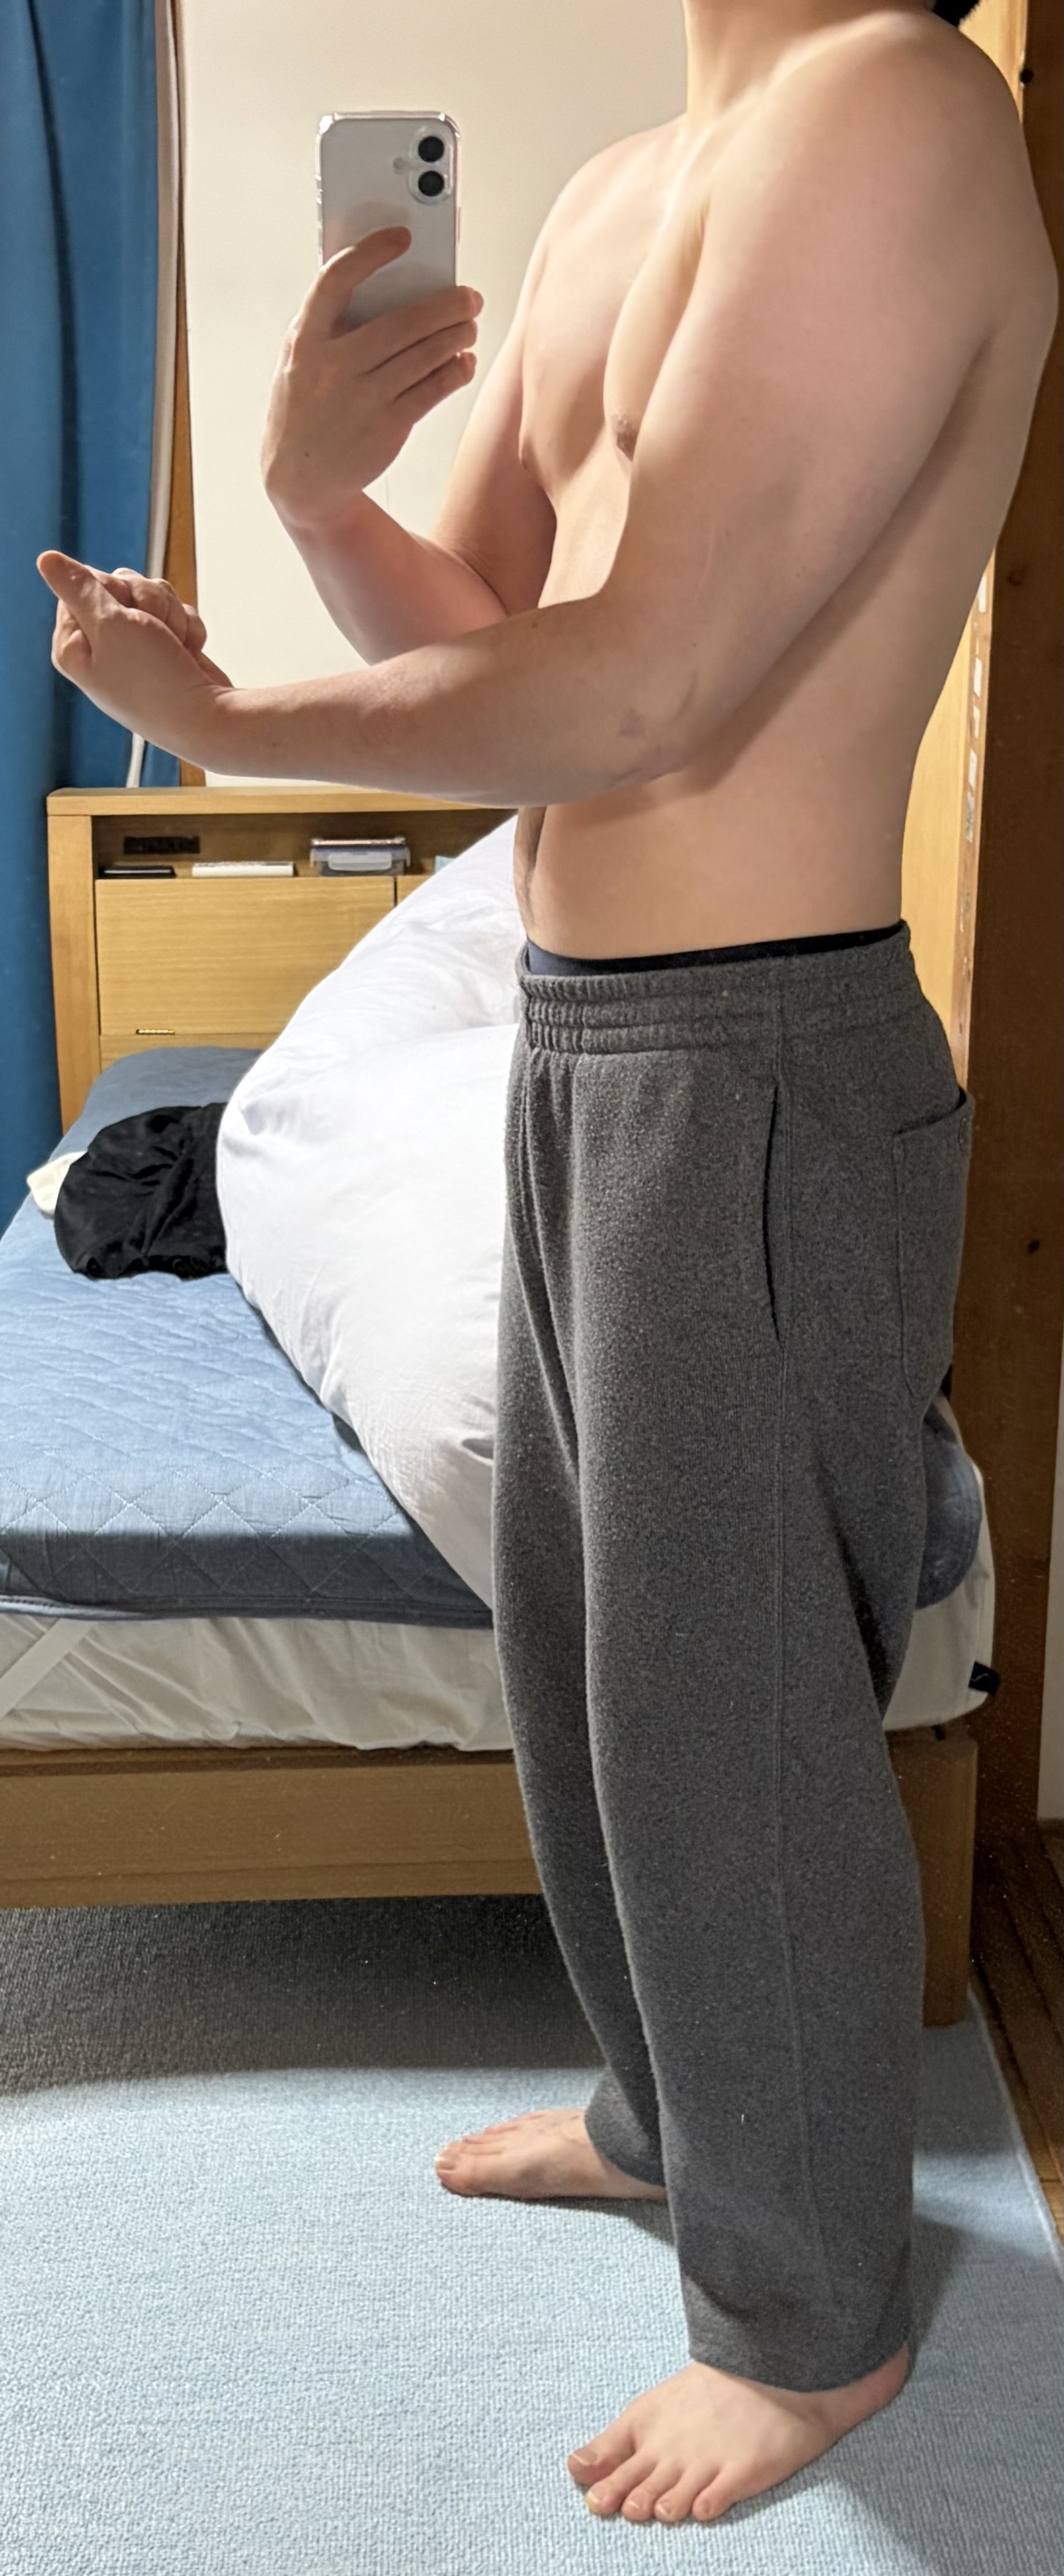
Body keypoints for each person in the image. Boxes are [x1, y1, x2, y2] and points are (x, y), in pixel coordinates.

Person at [40, 0, 1057, 2529]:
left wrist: (227, 729)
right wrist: (311, 488)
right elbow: (485, 616)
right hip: (580, 1030)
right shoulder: (623, 184)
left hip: (764, 1047)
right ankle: (669, 2116)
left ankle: (812, 2319)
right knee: (598, 1659)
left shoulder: (898, 110)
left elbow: (648, 690)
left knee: (738, 1699)